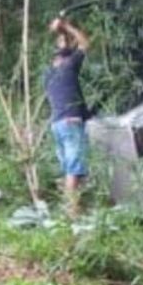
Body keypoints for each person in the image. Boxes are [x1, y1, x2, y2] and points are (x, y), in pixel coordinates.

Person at [44, 17, 90, 216]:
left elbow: (67, 47)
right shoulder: (69, 66)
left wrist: (60, 33)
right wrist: (67, 27)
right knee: (74, 170)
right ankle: (72, 213)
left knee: (70, 169)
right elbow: (85, 43)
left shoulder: (49, 75)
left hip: (57, 125)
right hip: (70, 123)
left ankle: (72, 207)